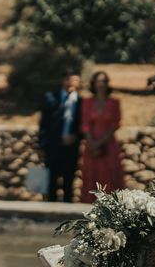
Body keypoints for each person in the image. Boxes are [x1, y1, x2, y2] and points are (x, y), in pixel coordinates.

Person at [80, 71, 124, 203]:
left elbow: (115, 124)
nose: (101, 84)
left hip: (108, 144)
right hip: (91, 144)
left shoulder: (114, 102)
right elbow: (85, 123)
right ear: (93, 83)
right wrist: (92, 143)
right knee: (91, 173)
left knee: (109, 174)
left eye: (104, 81)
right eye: (98, 81)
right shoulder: (87, 102)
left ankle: (111, 207)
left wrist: (99, 143)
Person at [38, 73, 82, 203]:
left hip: (71, 147)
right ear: (63, 81)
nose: (71, 83)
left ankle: (67, 216)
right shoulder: (51, 98)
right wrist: (41, 146)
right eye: (68, 79)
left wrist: (75, 136)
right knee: (51, 181)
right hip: (53, 147)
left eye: (75, 80)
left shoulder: (81, 102)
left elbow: (83, 126)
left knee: (69, 182)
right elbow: (43, 125)